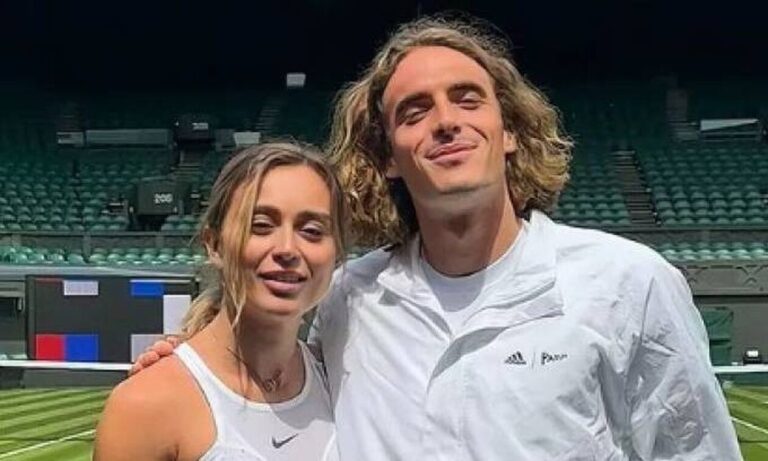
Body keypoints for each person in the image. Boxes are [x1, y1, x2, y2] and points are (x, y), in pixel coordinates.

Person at [135, 15, 742, 460]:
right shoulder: (349, 298)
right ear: (388, 158)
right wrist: (183, 358)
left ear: (510, 131)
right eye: (415, 111)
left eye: (468, 100)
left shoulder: (630, 284)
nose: (447, 121)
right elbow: (267, 366)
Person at [95, 142, 345, 461]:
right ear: (214, 245)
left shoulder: (343, 384)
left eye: (312, 230)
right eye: (261, 226)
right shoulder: (145, 404)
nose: (287, 248)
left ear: (337, 253)